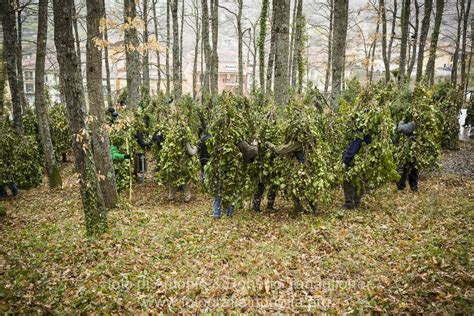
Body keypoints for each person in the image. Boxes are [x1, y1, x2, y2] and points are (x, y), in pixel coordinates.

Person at [212, 140, 258, 219]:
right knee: (232, 191)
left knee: (218, 190)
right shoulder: (241, 142)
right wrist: (255, 145)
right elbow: (252, 152)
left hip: (220, 170)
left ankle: (216, 213)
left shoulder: (219, 140)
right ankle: (229, 213)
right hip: (233, 172)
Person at [342, 134, 372, 209]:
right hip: (366, 155)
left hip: (357, 156)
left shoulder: (361, 129)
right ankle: (357, 202)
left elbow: (356, 142)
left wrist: (346, 159)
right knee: (361, 178)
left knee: (349, 178)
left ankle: (350, 203)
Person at [395, 120, 418, 192]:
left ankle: (403, 187)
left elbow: (400, 129)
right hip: (411, 148)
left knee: (408, 167)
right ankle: (412, 187)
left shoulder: (413, 123)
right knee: (410, 168)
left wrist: (401, 122)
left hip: (410, 149)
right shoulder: (418, 122)